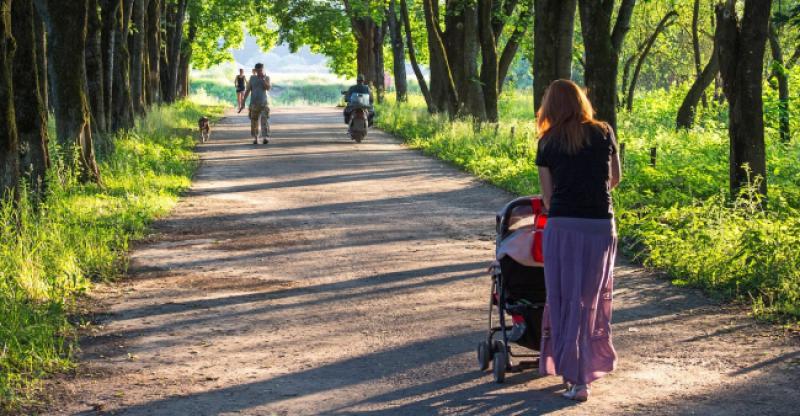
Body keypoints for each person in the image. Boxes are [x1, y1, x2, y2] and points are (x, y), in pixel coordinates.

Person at [534, 79, 622, 402]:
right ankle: (587, 369)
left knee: (564, 298)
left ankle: (575, 377)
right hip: (600, 226)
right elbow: (614, 178)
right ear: (581, 101)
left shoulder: (547, 142)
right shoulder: (604, 132)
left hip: (564, 227)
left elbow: (547, 197)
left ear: (550, 107)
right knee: (591, 301)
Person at [240, 63, 271, 144]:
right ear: (255, 70)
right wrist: (243, 102)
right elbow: (248, 90)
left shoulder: (267, 78)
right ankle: (256, 138)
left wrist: (263, 80)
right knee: (254, 121)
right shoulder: (252, 78)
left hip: (264, 103)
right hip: (253, 103)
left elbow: (268, 88)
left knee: (264, 120)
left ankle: (265, 137)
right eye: (258, 71)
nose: (259, 72)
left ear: (263, 69)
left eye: (261, 70)